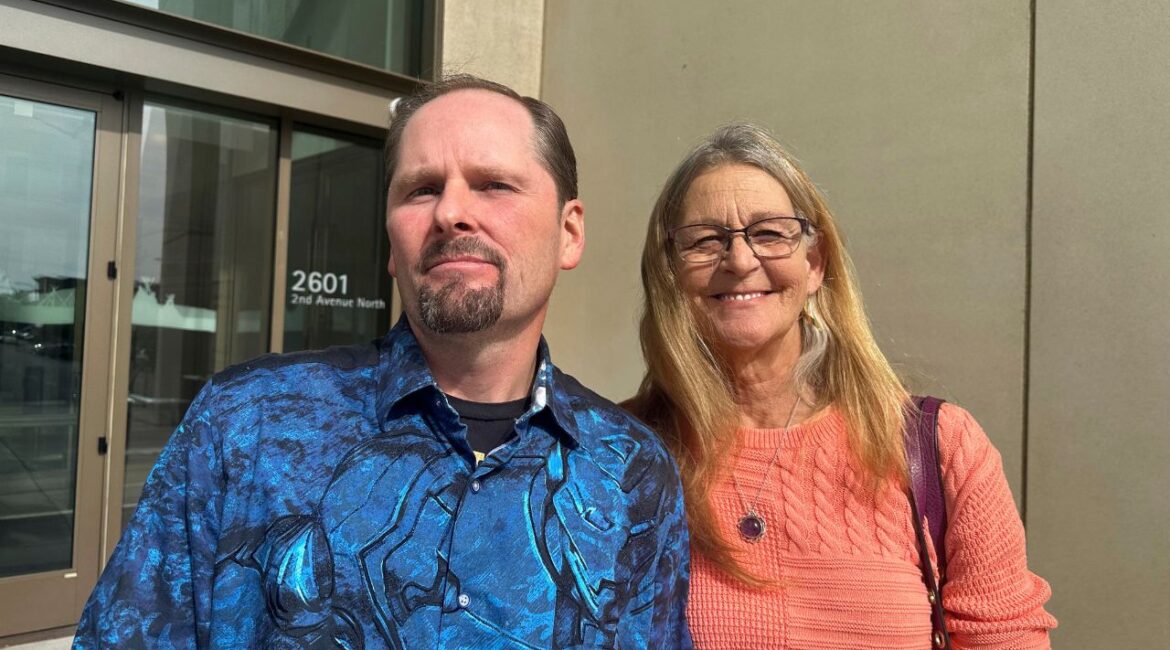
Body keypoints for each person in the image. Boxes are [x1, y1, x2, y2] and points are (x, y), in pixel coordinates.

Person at [74, 75, 692, 649]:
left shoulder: (632, 472)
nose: (450, 213)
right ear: (393, 246)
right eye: (422, 189)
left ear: (569, 233)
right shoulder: (244, 425)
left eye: (493, 185)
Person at [624, 123, 1056, 648]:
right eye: (705, 240)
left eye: (770, 233)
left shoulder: (940, 448)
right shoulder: (614, 456)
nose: (739, 261)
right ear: (669, 271)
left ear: (814, 263)